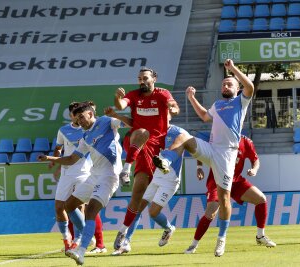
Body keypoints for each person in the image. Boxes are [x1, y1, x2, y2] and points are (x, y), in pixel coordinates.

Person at [153, 59, 254, 257]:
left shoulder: (241, 101)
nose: (225, 86)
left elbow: (250, 86)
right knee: (184, 137)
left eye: (229, 84)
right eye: (224, 84)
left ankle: (221, 238)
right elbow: (204, 116)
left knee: (224, 198)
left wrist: (232, 69)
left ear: (237, 88)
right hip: (212, 148)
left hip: (227, 153)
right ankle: (165, 159)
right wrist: (191, 98)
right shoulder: (217, 105)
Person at [38, 102, 124, 265]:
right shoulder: (85, 137)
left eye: (82, 118)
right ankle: (86, 236)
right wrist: (50, 158)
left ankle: (82, 251)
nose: (80, 122)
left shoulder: (107, 122)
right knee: (69, 205)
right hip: (94, 175)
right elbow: (71, 159)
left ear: (91, 114)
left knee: (90, 210)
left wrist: (117, 115)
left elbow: (130, 123)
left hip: (108, 176)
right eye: (77, 119)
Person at [113, 67, 180, 250]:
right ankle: (125, 170)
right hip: (135, 141)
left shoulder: (162, 94)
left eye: (145, 78)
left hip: (156, 150)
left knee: (139, 198)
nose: (142, 81)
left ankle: (126, 233)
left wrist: (172, 108)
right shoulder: (134, 95)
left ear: (154, 79)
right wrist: (118, 98)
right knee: (141, 132)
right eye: (139, 78)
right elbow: (121, 105)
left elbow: (173, 105)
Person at [107, 110, 188, 255]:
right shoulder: (151, 130)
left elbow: (195, 148)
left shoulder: (179, 132)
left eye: (165, 113)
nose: (161, 116)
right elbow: (133, 124)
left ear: (170, 115)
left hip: (170, 180)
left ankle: (169, 228)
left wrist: (200, 166)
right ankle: (126, 242)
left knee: (153, 212)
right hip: (155, 177)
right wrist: (117, 115)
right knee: (137, 208)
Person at [184, 135, 276, 254]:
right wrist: (199, 167)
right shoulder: (219, 137)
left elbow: (255, 160)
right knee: (210, 213)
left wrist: (254, 169)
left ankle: (260, 236)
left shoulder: (246, 141)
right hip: (217, 181)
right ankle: (193, 245)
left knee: (261, 199)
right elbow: (201, 151)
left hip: (235, 181)